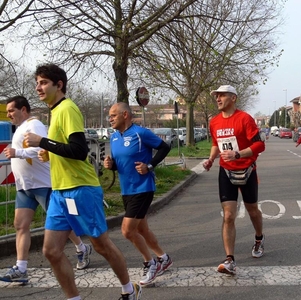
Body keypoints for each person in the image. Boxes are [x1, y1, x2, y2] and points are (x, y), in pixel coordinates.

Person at [24, 64, 141, 300]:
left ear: (59, 85)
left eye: (44, 82)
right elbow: (64, 147)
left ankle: (130, 289)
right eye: (37, 82)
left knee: (101, 246)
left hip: (81, 190)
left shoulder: (67, 109)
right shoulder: (54, 111)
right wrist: (49, 151)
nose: (38, 87)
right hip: (59, 192)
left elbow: (78, 150)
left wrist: (42, 142)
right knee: (52, 251)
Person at [0, 96, 92, 284]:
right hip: (25, 186)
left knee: (62, 223)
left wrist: (17, 152)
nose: (8, 114)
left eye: (11, 110)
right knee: (20, 225)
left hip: (43, 184)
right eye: (8, 111)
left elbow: (42, 149)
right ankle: (22, 268)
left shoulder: (34, 126)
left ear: (23, 109)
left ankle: (82, 248)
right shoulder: (20, 128)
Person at [104, 102, 173, 287]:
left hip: (143, 188)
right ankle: (164, 258)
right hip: (127, 189)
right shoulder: (114, 137)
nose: (110, 119)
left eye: (113, 115)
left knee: (127, 231)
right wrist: (112, 165)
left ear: (125, 114)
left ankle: (150, 263)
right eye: (109, 116)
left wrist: (149, 165)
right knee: (141, 229)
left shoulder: (140, 133)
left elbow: (165, 147)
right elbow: (122, 164)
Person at [202, 85, 266, 276]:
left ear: (233, 98)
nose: (218, 99)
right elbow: (216, 144)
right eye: (216, 96)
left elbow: (259, 144)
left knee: (252, 210)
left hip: (247, 169)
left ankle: (259, 238)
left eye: (221, 96)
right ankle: (230, 259)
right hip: (226, 171)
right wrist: (211, 159)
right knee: (228, 215)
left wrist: (238, 154)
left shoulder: (244, 118)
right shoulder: (214, 122)